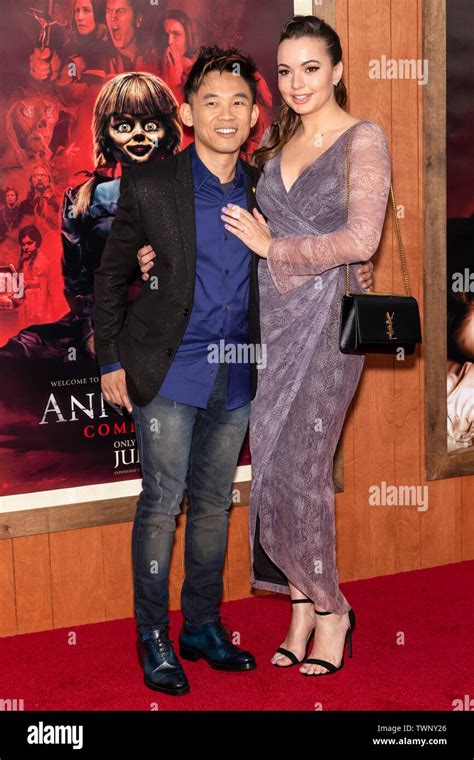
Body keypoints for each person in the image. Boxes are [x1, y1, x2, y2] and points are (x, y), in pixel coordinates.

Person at [94, 45, 374, 696]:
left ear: (254, 117)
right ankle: (153, 637)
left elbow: (308, 253)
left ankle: (201, 626)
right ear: (188, 112)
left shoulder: (267, 186)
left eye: (240, 101)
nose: (226, 113)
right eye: (211, 101)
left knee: (217, 506)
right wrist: (109, 358)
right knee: (163, 505)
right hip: (166, 369)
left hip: (240, 369)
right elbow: (108, 277)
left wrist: (354, 270)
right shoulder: (152, 182)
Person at [220, 15, 392, 676]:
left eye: (311, 68)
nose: (297, 83)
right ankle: (298, 605)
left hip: (326, 327)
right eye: (286, 70)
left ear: (338, 70)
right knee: (273, 467)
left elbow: (360, 243)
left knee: (307, 467)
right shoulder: (275, 144)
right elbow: (241, 226)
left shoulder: (363, 139)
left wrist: (274, 248)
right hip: (272, 323)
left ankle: (332, 612)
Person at [0, 72, 180, 361]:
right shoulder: (82, 198)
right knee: (19, 350)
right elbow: (77, 282)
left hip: (170, 327)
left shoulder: (189, 191)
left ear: (168, 130)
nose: (138, 135)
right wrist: (92, 334)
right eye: (123, 125)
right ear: (106, 133)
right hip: (98, 322)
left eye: (149, 124)